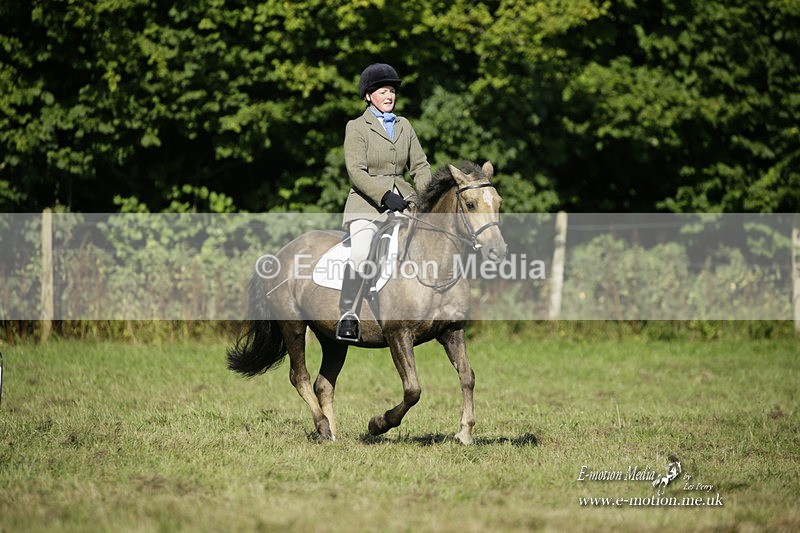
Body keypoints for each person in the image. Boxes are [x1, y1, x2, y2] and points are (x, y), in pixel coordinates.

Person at [336, 63, 432, 340]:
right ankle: (347, 314)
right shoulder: (357, 127)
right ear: (368, 96)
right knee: (361, 251)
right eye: (382, 91)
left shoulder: (404, 125)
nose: (389, 96)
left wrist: (426, 198)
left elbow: (420, 166)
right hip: (367, 205)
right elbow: (356, 172)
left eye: (392, 91)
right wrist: (384, 196)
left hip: (404, 201)